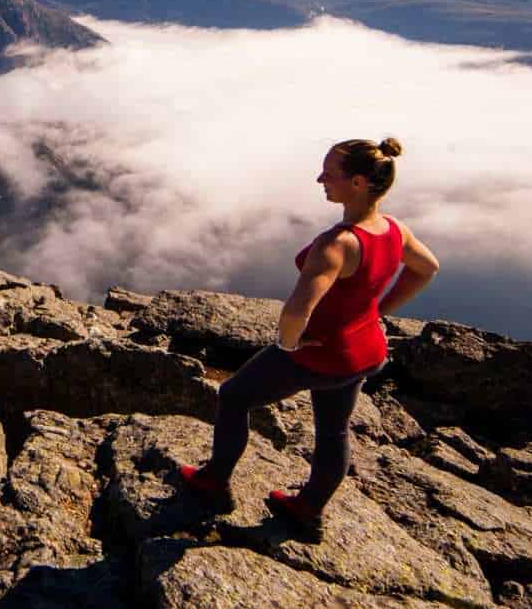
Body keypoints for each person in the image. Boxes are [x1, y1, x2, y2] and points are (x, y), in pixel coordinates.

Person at [177, 137, 440, 537]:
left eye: (329, 173)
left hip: (323, 353)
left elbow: (297, 310)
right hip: (365, 351)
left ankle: (215, 483)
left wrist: (288, 345)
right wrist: (378, 311)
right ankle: (309, 510)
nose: (320, 178)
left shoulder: (336, 245)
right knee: (334, 429)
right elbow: (427, 268)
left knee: (233, 397)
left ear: (357, 183)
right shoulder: (393, 230)